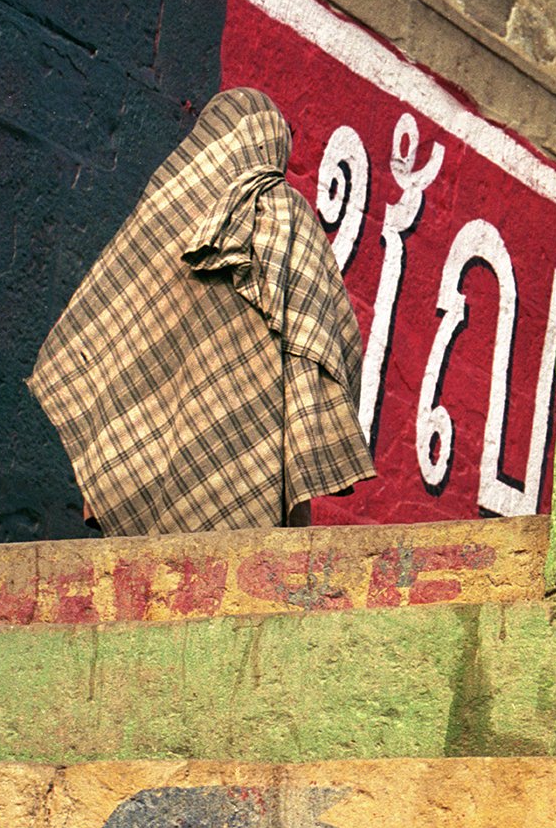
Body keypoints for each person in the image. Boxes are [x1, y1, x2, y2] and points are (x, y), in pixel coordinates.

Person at [29, 87, 374, 534]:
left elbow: (109, 338)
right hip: (248, 461)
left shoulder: (161, 210)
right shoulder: (281, 209)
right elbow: (326, 335)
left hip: (140, 463)